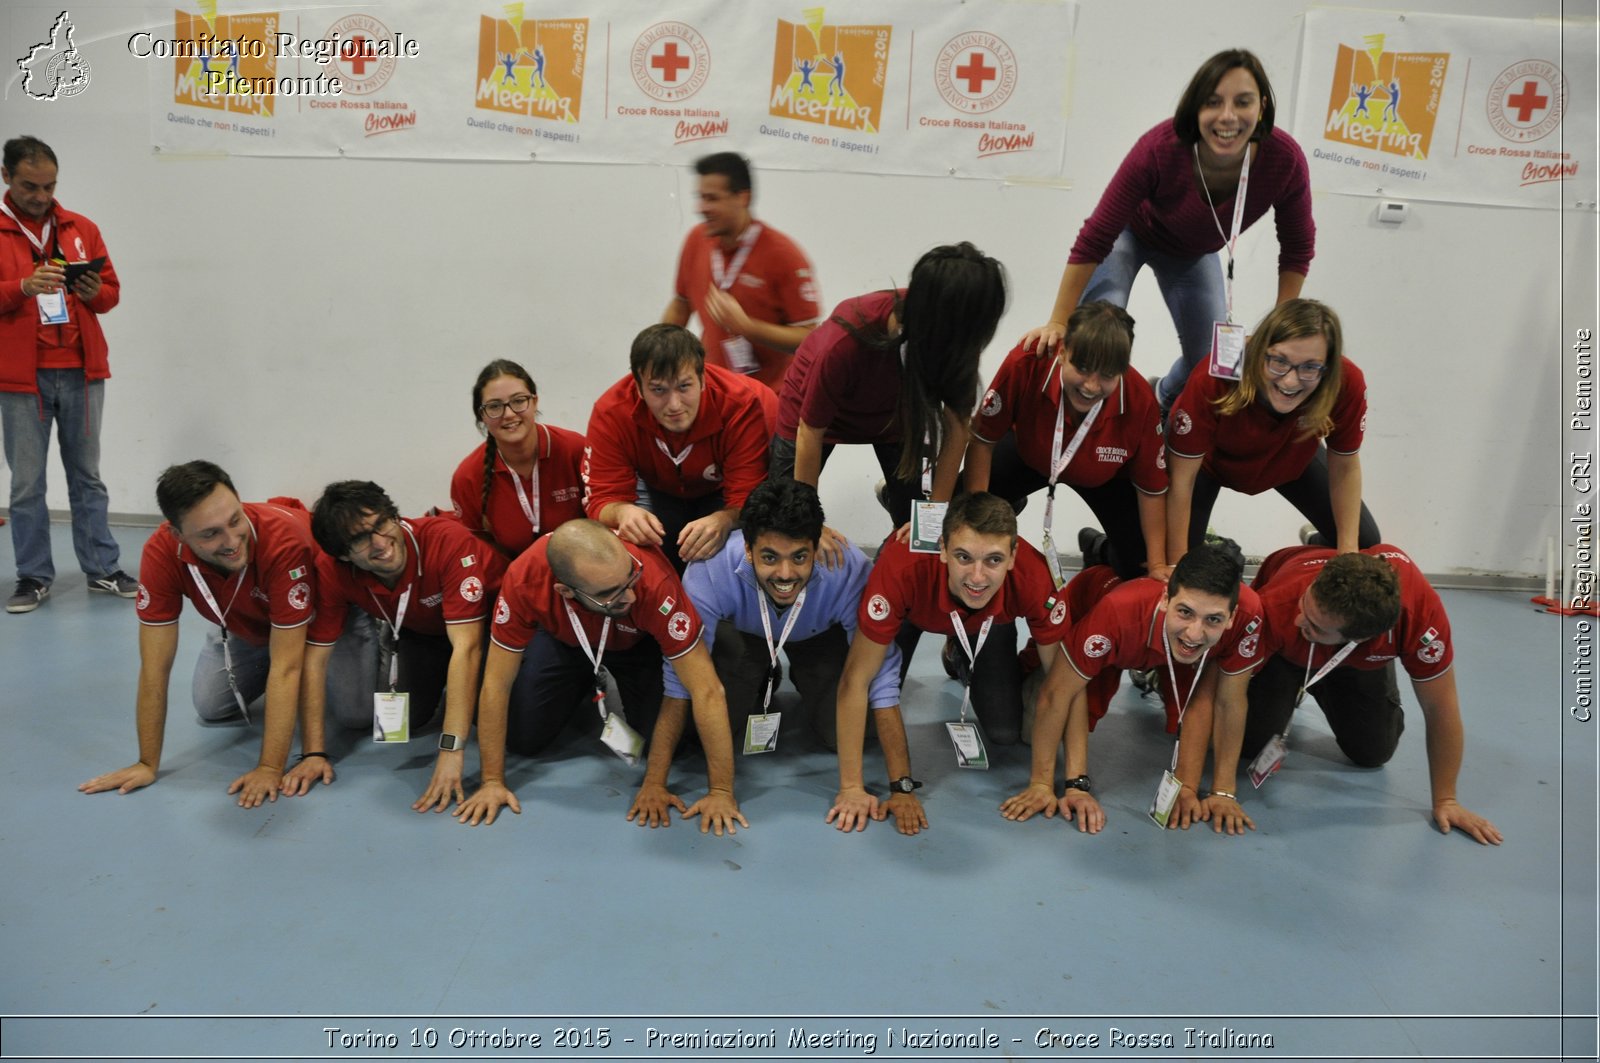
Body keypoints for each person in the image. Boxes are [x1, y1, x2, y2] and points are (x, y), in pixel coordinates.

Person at [1022, 49, 1314, 409]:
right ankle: (1085, 436)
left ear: (1263, 106)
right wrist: (1058, 320)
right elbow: (1096, 236)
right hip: (1129, 237)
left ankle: (1162, 397)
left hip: (1193, 253)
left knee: (1218, 368)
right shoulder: (1160, 148)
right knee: (1099, 344)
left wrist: (1280, 330)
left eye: (1243, 102)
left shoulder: (1284, 160)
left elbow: (1298, 247)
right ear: (1195, 108)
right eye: (1213, 102)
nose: (1228, 117)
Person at [77, 461, 354, 807]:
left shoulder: (285, 544)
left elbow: (287, 667)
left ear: (239, 500)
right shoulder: (161, 552)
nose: (232, 541)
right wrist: (147, 762)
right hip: (248, 624)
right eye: (210, 534)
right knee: (211, 705)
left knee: (353, 710)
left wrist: (269, 766)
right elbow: (154, 667)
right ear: (177, 534)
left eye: (235, 520)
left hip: (317, 622)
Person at [455, 519, 744, 835]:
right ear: (565, 591)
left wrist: (711, 790)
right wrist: (492, 781)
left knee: (670, 742)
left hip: (635, 642)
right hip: (564, 641)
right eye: (611, 592)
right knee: (523, 738)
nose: (630, 595)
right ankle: (579, 686)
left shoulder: (650, 582)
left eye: (629, 580)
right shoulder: (524, 579)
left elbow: (706, 690)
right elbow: (497, 683)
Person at [829, 492, 1069, 836]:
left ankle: (959, 655)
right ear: (942, 549)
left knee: (1004, 733)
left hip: (987, 620)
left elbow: (1066, 683)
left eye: (994, 560)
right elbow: (856, 681)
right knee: (866, 722)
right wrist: (853, 787)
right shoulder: (902, 567)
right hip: (913, 609)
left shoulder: (1032, 575)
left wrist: (1070, 783)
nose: (977, 574)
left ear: (1013, 558)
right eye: (963, 556)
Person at [1233, 544, 1501, 844]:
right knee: (1251, 744)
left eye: (1316, 626)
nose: (1299, 619)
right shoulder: (1280, 605)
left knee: (1373, 752)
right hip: (1285, 653)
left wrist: (1447, 800)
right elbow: (1224, 689)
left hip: (1358, 662)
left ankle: (1331, 679)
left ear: (1363, 637)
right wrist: (1219, 789)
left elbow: (1440, 708)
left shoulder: (1420, 614)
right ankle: (1321, 546)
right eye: (1304, 605)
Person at [999, 543, 1262, 834]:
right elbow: (1056, 694)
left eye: (1213, 619)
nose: (1195, 631)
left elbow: (1228, 701)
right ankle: (1102, 550)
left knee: (1204, 713)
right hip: (1100, 618)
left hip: (1170, 648)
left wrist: (1220, 791)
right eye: (1185, 612)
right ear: (1166, 598)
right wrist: (1052, 784)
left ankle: (1156, 673)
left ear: (1232, 616)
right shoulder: (1117, 611)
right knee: (1031, 729)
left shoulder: (1249, 614)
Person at [288, 481, 509, 813]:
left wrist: (450, 749)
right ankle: (388, 644)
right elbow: (315, 660)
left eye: (381, 523)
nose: (380, 543)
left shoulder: (446, 540)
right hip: (420, 631)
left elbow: (467, 648)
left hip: (490, 631)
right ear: (343, 555)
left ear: (393, 515)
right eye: (361, 539)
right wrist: (314, 753)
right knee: (400, 724)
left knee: (510, 724)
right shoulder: (332, 569)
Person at [773, 242, 1007, 534]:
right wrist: (808, 523)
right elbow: (809, 432)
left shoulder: (957, 340)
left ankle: (894, 526)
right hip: (814, 414)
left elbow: (957, 428)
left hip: (896, 415)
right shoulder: (844, 339)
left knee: (918, 528)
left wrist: (932, 519)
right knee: (783, 519)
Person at [659, 478, 899, 758]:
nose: (785, 574)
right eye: (770, 558)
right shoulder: (710, 567)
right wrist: (659, 781)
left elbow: (881, 669)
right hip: (745, 633)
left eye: (799, 557)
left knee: (846, 734)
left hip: (817, 635)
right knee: (699, 731)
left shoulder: (849, 568)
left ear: (815, 544)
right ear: (749, 550)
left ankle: (806, 672)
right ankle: (761, 674)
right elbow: (681, 670)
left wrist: (900, 785)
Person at [1, 135, 135, 613]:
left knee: (87, 477)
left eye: (49, 185)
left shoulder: (81, 227)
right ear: (6, 177)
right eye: (29, 186)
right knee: (27, 484)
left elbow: (109, 296)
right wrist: (21, 287)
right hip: (21, 380)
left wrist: (95, 289)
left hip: (81, 371)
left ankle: (102, 569)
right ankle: (33, 577)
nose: (41, 195)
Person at [966, 300, 1169, 583]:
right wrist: (975, 521)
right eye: (1083, 368)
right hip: (1028, 456)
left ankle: (1099, 551)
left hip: (1104, 478)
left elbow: (1152, 491)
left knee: (1141, 567)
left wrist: (1158, 563)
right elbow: (982, 441)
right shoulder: (1027, 360)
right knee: (956, 519)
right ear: (1062, 353)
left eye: (1107, 375)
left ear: (1122, 371)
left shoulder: (1140, 402)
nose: (1091, 386)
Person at [1165, 298, 1378, 563]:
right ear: (1259, 351)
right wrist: (1176, 565)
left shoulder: (1346, 381)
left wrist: (1347, 556)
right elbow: (1181, 481)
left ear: (1328, 367)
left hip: (1290, 452)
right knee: (1178, 559)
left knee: (1364, 543)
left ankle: (1313, 544)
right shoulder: (1216, 373)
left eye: (1310, 367)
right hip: (1208, 463)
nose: (1290, 380)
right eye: (1279, 361)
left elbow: (1345, 467)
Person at [584, 323, 777, 573]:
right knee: (629, 550)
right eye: (658, 390)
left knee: (731, 553)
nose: (674, 404)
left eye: (684, 387)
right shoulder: (611, 412)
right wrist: (622, 513)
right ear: (639, 388)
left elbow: (748, 498)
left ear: (702, 380)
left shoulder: (742, 405)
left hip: (724, 491)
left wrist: (724, 519)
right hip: (655, 485)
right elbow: (601, 499)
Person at [662, 152, 822, 391]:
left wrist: (747, 327)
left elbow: (810, 339)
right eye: (700, 198)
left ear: (742, 198)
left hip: (770, 400)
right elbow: (681, 304)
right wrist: (657, 352)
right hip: (713, 391)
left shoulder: (783, 255)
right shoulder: (696, 240)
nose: (701, 208)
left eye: (712, 199)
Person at [450, 359, 586, 560]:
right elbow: (478, 550)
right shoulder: (468, 477)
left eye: (519, 401)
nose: (509, 414)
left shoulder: (574, 449)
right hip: (517, 581)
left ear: (535, 402)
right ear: (482, 416)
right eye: (494, 406)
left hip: (585, 572)